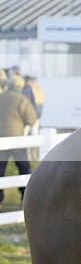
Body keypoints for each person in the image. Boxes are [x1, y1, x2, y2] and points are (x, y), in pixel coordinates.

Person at [0, 74, 38, 203]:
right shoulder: (21, 100)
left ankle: (0, 200)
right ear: (19, 87)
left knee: (0, 172)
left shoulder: (1, 98)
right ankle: (25, 197)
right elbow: (32, 120)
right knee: (24, 169)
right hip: (17, 140)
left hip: (1, 141)